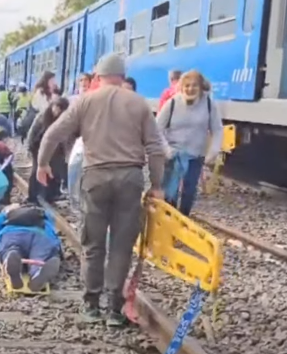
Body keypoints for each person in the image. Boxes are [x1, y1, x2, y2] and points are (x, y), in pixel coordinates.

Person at [34, 54, 166, 327]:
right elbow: (155, 148)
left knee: (93, 244)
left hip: (95, 176)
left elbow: (52, 134)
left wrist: (43, 163)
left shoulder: (85, 101)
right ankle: (115, 310)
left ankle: (91, 305)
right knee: (121, 245)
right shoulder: (139, 103)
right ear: (121, 75)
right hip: (130, 178)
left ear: (98, 76)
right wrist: (157, 185)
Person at [157, 70, 223, 216]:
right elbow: (157, 129)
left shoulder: (209, 104)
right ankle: (169, 221)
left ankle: (184, 218)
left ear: (201, 87)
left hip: (196, 155)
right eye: (186, 86)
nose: (190, 89)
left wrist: (213, 152)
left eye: (194, 86)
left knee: (189, 191)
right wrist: (166, 150)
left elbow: (217, 129)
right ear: (181, 87)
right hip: (174, 154)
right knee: (170, 191)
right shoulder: (172, 103)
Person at [0, 203, 61, 292]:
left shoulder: (8, 216)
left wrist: (3, 214)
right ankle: (37, 272)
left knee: (11, 248)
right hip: (40, 235)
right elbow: (53, 236)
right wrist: (55, 251)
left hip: (12, 234)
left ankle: (11, 255)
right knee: (40, 256)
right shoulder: (43, 216)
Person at [26, 97, 70, 205]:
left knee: (55, 171)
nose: (57, 111)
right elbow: (32, 133)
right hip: (38, 147)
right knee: (37, 170)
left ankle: (50, 195)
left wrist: (66, 152)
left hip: (55, 149)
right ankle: (34, 196)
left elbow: (65, 137)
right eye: (56, 108)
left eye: (60, 109)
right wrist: (29, 147)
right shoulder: (42, 117)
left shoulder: (64, 119)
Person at [64, 73, 96, 206]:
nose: (83, 83)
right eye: (81, 81)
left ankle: (82, 200)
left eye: (86, 80)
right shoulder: (72, 99)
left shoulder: (94, 98)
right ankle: (74, 200)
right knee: (73, 168)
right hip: (73, 139)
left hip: (87, 139)